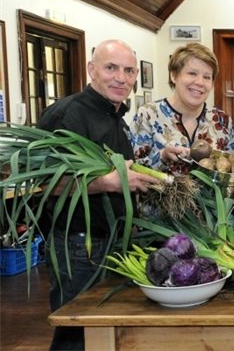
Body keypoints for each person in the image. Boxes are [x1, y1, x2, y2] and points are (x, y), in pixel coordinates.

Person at [37, 39, 158, 350]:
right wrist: (112, 183)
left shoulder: (114, 115)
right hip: (78, 244)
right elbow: (52, 183)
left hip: (112, 240)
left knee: (105, 332)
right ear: (92, 69)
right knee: (75, 332)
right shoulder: (68, 115)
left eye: (129, 71)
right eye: (111, 68)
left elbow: (119, 168)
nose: (121, 77)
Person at [129, 43, 234, 175]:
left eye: (207, 77)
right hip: (159, 196)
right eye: (192, 73)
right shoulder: (148, 115)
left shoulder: (222, 120)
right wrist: (162, 157)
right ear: (174, 76)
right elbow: (130, 169)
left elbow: (232, 169)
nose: (199, 82)